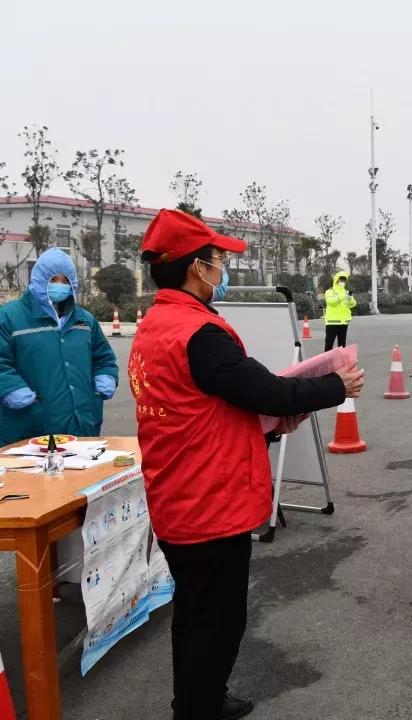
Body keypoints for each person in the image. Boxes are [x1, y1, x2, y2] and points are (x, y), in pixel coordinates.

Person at [130, 209, 365, 720]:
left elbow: (213, 406)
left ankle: (201, 699)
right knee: (216, 618)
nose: (222, 270)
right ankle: (197, 708)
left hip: (181, 493)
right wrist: (333, 386)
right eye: (217, 260)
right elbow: (261, 388)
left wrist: (274, 422)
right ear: (196, 267)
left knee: (196, 614)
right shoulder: (197, 333)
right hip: (207, 501)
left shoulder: (155, 325)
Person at [0, 248, 118, 446]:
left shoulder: (84, 321)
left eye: (66, 281)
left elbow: (103, 358)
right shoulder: (9, 317)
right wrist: (11, 388)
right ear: (38, 279)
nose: (60, 286)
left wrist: (105, 377)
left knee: (84, 476)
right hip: (29, 429)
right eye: (53, 280)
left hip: (82, 427)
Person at [323, 270, 356, 352]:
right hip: (332, 322)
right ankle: (327, 363)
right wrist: (342, 296)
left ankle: (340, 363)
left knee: (342, 346)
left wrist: (350, 298)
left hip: (343, 322)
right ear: (336, 280)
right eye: (341, 280)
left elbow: (353, 304)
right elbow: (330, 302)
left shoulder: (346, 292)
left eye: (344, 280)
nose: (342, 282)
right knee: (329, 345)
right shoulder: (330, 291)